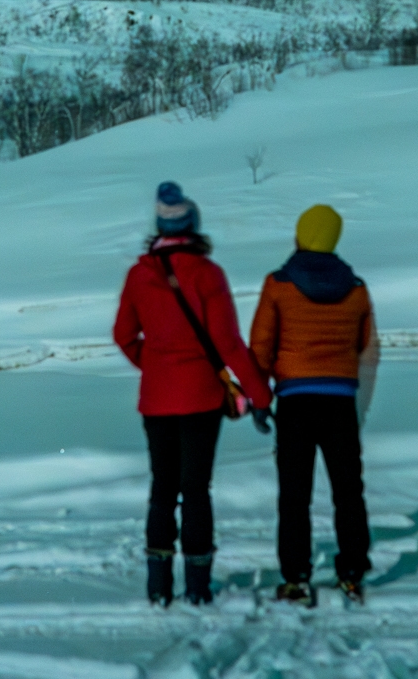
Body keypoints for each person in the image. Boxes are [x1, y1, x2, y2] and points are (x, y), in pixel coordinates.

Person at [112, 181, 271, 607]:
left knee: (162, 489)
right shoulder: (208, 274)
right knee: (196, 490)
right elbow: (230, 345)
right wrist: (260, 396)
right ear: (193, 226)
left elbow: (123, 335)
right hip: (201, 398)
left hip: (156, 400)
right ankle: (198, 587)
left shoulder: (139, 274)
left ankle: (158, 587)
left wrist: (157, 366)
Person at [249, 203, 378, 607]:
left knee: (294, 495)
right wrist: (358, 404)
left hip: (295, 401)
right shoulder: (357, 290)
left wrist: (259, 398)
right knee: (348, 491)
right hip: (340, 400)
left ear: (301, 235)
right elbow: (368, 350)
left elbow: (261, 347)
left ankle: (296, 578)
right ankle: (352, 573)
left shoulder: (278, 285)